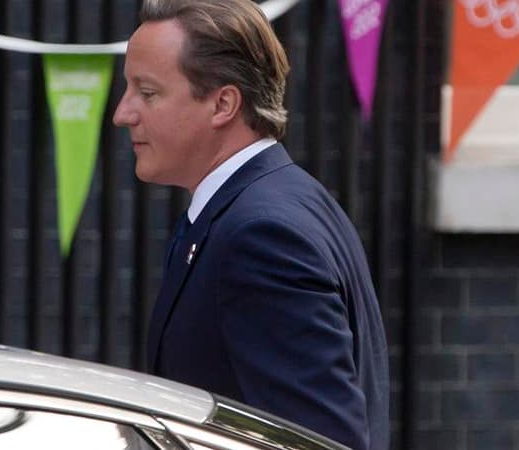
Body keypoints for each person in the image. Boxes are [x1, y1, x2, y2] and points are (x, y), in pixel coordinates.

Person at [112, 1, 389, 449]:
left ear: (223, 103)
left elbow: (318, 440)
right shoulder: (271, 203)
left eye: (147, 92)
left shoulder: (262, 236)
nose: (123, 113)